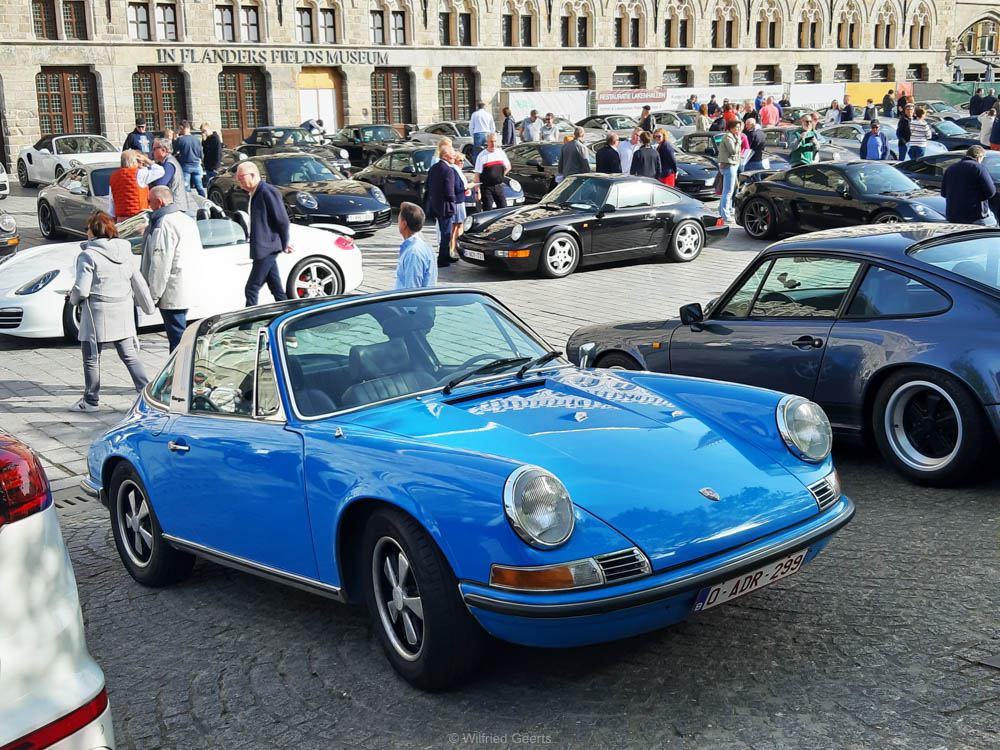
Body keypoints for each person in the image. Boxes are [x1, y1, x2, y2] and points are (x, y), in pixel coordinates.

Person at [67, 212, 155, 413]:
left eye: (87, 228)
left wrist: (73, 298)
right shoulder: (126, 251)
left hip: (96, 315)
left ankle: (90, 401)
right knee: (130, 356)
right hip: (122, 313)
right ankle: (146, 394)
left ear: (94, 231)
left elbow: (82, 289)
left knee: (91, 358)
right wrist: (149, 307)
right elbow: (138, 282)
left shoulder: (88, 255)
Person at [140, 186, 200, 351]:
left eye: (149, 201)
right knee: (179, 334)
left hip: (172, 290)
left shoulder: (164, 224)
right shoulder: (185, 219)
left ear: (159, 202)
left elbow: (161, 263)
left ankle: (178, 373)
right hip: (185, 285)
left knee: (177, 340)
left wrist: (152, 295)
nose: (148, 205)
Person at [236, 160, 293, 306]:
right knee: (276, 289)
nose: (238, 181)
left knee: (251, 289)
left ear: (253, 175)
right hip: (264, 247)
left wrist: (285, 243)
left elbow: (282, 220)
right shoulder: (255, 192)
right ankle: (286, 312)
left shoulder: (267, 191)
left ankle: (247, 325)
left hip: (267, 248)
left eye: (241, 177)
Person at [941, 145, 997, 226]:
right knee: (993, 227)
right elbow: (991, 192)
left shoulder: (950, 169)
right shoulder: (979, 168)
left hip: (953, 216)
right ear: (979, 157)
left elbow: (943, 193)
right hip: (974, 216)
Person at [107, 150, 164, 221]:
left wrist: (113, 218)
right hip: (138, 218)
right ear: (134, 161)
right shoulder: (140, 174)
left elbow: (111, 201)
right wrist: (147, 160)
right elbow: (160, 171)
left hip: (121, 219)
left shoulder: (113, 177)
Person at [427, 140, 458, 267]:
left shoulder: (434, 168)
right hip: (446, 206)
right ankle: (442, 258)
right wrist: (453, 201)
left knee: (444, 231)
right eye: (453, 155)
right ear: (445, 156)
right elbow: (449, 190)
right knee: (446, 233)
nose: (455, 157)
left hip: (436, 204)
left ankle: (446, 255)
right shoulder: (448, 170)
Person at [394, 202, 437, 289]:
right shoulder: (424, 246)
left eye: (398, 219)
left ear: (404, 224)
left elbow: (411, 291)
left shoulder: (413, 253)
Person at [149, 137, 190, 210]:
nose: (152, 152)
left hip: (176, 207)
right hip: (173, 206)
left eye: (154, 149)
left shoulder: (169, 164)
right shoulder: (165, 162)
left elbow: (160, 185)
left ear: (163, 150)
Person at [717, 120, 741, 224]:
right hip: (728, 165)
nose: (738, 129)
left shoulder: (732, 136)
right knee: (728, 191)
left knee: (727, 191)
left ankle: (722, 211)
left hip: (733, 164)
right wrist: (739, 140)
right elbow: (733, 151)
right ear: (731, 128)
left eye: (739, 127)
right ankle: (725, 215)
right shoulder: (728, 137)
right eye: (736, 127)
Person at [173, 122, 205, 197]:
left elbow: (174, 150)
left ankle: (188, 204)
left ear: (181, 128)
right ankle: (205, 201)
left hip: (186, 166)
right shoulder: (196, 139)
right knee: (200, 187)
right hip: (196, 164)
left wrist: (174, 140)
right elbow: (201, 153)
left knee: (186, 187)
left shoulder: (181, 140)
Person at [449, 150, 470, 259]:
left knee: (459, 225)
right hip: (457, 202)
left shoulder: (458, 171)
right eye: (460, 160)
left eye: (463, 161)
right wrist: (467, 187)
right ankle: (452, 249)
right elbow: (457, 188)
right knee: (454, 227)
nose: (462, 162)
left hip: (460, 201)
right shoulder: (454, 171)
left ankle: (456, 248)